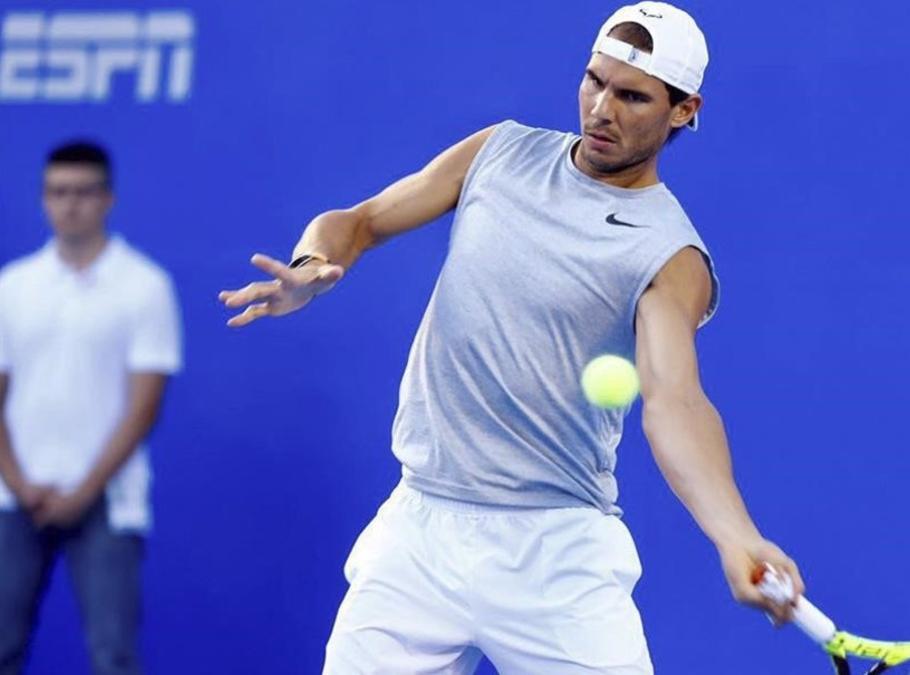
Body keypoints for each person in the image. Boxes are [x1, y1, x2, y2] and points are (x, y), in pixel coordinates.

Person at [220, 3, 803, 672]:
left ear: (682, 108)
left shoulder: (671, 254)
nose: (601, 108)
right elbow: (360, 221)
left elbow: (675, 401)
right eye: (595, 81)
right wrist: (309, 271)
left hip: (553, 553)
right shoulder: (501, 151)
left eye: (632, 95)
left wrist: (736, 536)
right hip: (418, 530)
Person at [0, 141, 182, 675]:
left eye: (83, 192)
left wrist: (83, 491)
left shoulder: (144, 286)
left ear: (107, 199)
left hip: (107, 501)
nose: (70, 204)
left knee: (113, 655)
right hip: (15, 499)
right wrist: (18, 480)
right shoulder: (12, 288)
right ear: (42, 201)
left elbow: (143, 407)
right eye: (58, 193)